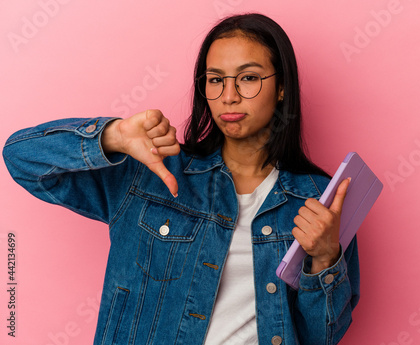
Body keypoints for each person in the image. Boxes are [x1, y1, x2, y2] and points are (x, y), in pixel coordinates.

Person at [3, 13, 360, 345]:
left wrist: (327, 258)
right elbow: (21, 158)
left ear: (281, 87)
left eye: (249, 77)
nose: (229, 95)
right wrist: (111, 137)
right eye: (216, 80)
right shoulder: (152, 174)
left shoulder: (320, 199)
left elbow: (321, 336)